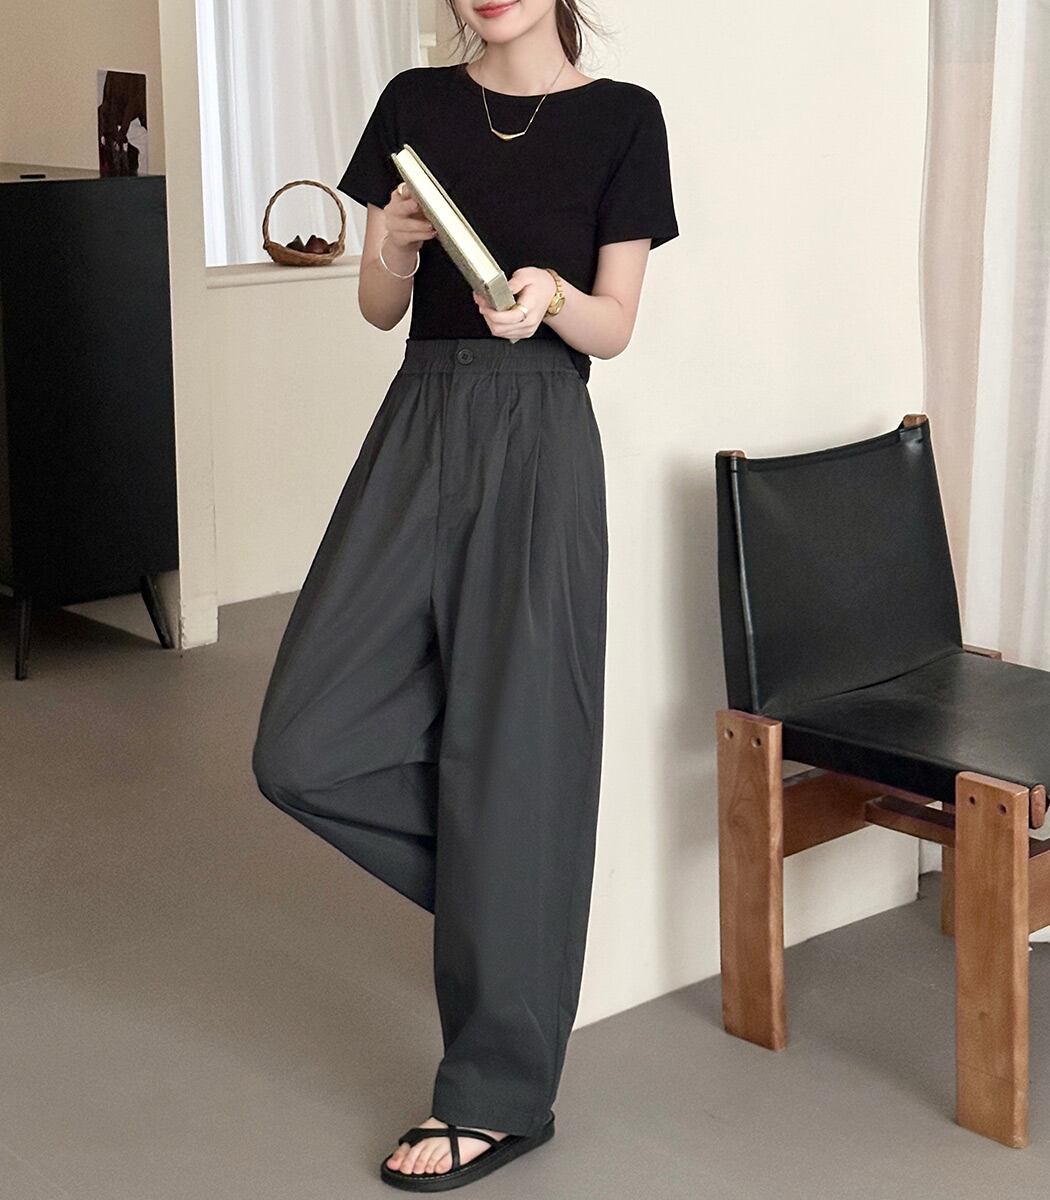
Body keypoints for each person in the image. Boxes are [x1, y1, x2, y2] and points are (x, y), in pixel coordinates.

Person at [251, 0, 678, 1190]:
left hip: (539, 431)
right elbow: (379, 307)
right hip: (419, 420)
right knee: (300, 747)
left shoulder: (624, 119)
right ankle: (517, 895)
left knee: (519, 749)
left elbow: (615, 325)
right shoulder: (416, 103)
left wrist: (549, 300)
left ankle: (494, 1099)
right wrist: (391, 244)